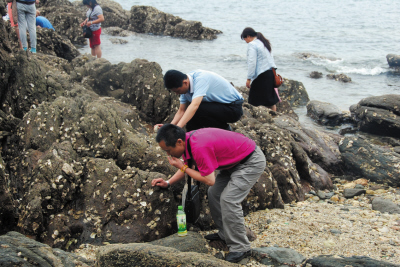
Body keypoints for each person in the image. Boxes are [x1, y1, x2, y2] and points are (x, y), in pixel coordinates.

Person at [151, 124, 266, 263]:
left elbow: (209, 180)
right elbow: (187, 167)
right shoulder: (187, 142)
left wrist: (182, 166)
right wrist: (168, 183)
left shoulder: (199, 146)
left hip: (250, 161)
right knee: (214, 194)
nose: (168, 155)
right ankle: (225, 234)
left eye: (168, 150)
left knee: (228, 199)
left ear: (179, 142)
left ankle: (241, 247)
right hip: (232, 163)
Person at [156, 69, 244, 132]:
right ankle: (193, 139)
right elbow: (181, 111)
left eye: (177, 91)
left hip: (233, 109)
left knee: (195, 109)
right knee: (191, 116)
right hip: (217, 107)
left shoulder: (201, 79)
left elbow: (195, 106)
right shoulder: (184, 87)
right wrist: (169, 127)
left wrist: (178, 128)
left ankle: (226, 131)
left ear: (185, 83)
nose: (177, 94)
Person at [241, 27, 280, 111]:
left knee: (253, 100)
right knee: (270, 100)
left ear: (248, 36)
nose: (246, 42)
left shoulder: (252, 44)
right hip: (271, 73)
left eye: (245, 39)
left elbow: (252, 63)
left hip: (261, 75)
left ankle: (256, 119)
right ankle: (274, 119)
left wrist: (249, 78)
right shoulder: (264, 42)